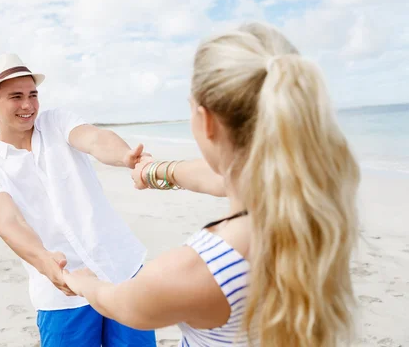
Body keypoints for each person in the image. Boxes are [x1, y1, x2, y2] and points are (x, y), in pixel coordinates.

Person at [63, 22, 360, 347]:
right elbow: (223, 177)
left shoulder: (197, 271)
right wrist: (156, 172)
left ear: (206, 121)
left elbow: (119, 303)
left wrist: (80, 282)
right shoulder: (320, 205)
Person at [0, 53, 156, 346]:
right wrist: (46, 264)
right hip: (63, 295)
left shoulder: (57, 122)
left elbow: (94, 139)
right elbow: (9, 223)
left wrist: (125, 156)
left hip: (122, 271)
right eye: (15, 96)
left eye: (33, 94)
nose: (28, 105)